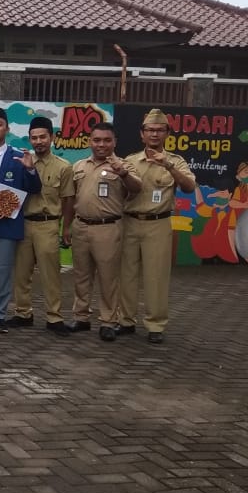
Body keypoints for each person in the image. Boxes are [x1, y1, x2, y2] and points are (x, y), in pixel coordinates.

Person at [116, 108, 196, 344]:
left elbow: (189, 187)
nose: (154, 134)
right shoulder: (130, 161)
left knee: (157, 276)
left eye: (159, 130)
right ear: (142, 134)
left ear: (167, 133)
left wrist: (168, 165)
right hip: (130, 222)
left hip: (158, 223)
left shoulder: (176, 161)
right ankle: (126, 321)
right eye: (150, 130)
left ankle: (155, 325)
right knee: (126, 275)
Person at [64, 122, 142, 335]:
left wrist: (123, 174)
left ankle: (108, 321)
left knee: (108, 278)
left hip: (108, 228)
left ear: (114, 142)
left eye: (107, 140)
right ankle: (81, 317)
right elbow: (71, 200)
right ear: (90, 141)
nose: (101, 144)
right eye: (97, 140)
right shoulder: (79, 166)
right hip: (81, 226)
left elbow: (137, 187)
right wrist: (67, 227)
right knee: (81, 276)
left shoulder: (124, 166)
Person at [0, 105, 41, 334]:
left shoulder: (19, 157)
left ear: (7, 128)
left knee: (2, 271)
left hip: (6, 225)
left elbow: (34, 188)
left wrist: (31, 171)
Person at [7, 116, 74, 337]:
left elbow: (67, 200)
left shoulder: (63, 167)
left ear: (52, 137)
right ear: (29, 139)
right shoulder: (21, 161)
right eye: (34, 138)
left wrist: (66, 228)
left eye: (43, 137)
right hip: (23, 223)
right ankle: (23, 313)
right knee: (21, 272)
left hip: (48, 224)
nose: (39, 141)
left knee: (50, 273)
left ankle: (54, 317)